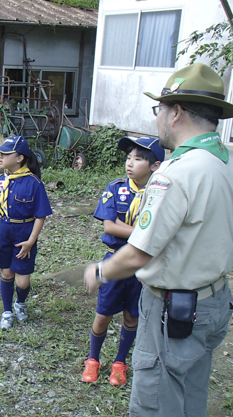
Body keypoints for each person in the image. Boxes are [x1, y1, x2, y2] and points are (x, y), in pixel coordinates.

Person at [84, 63, 233, 417]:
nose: (157, 117)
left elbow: (139, 253)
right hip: (214, 302)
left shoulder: (176, 173)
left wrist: (100, 270)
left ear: (175, 112)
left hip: (174, 311)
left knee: (157, 414)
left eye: (158, 109)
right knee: (190, 401)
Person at [82, 136, 164, 386]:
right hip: (116, 262)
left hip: (143, 267)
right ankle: (93, 359)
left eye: (138, 159)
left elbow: (121, 225)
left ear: (155, 166)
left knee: (132, 317)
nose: (130, 163)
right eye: (129, 157)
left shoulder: (160, 194)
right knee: (102, 314)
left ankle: (120, 362)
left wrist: (127, 228)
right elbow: (109, 226)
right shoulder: (116, 188)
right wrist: (144, 233)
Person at [0, 136, 52, 330]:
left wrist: (31, 241)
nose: (0, 157)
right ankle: (7, 310)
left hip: (24, 234)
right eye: (0, 153)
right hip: (2, 233)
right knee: (6, 273)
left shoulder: (33, 184)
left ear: (20, 158)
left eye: (6, 154)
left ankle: (20, 302)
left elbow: (41, 216)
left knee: (22, 281)